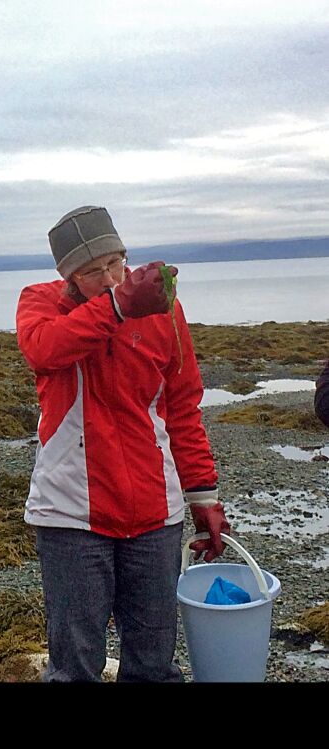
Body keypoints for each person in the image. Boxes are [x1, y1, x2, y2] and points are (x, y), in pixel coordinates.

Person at [15, 205, 229, 683]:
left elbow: (182, 408)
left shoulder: (165, 310)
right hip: (70, 513)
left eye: (117, 263)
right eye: (93, 272)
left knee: (153, 665)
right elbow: (44, 349)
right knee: (74, 669)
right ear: (68, 276)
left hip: (155, 511)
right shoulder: (41, 302)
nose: (112, 278)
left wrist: (204, 497)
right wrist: (116, 308)